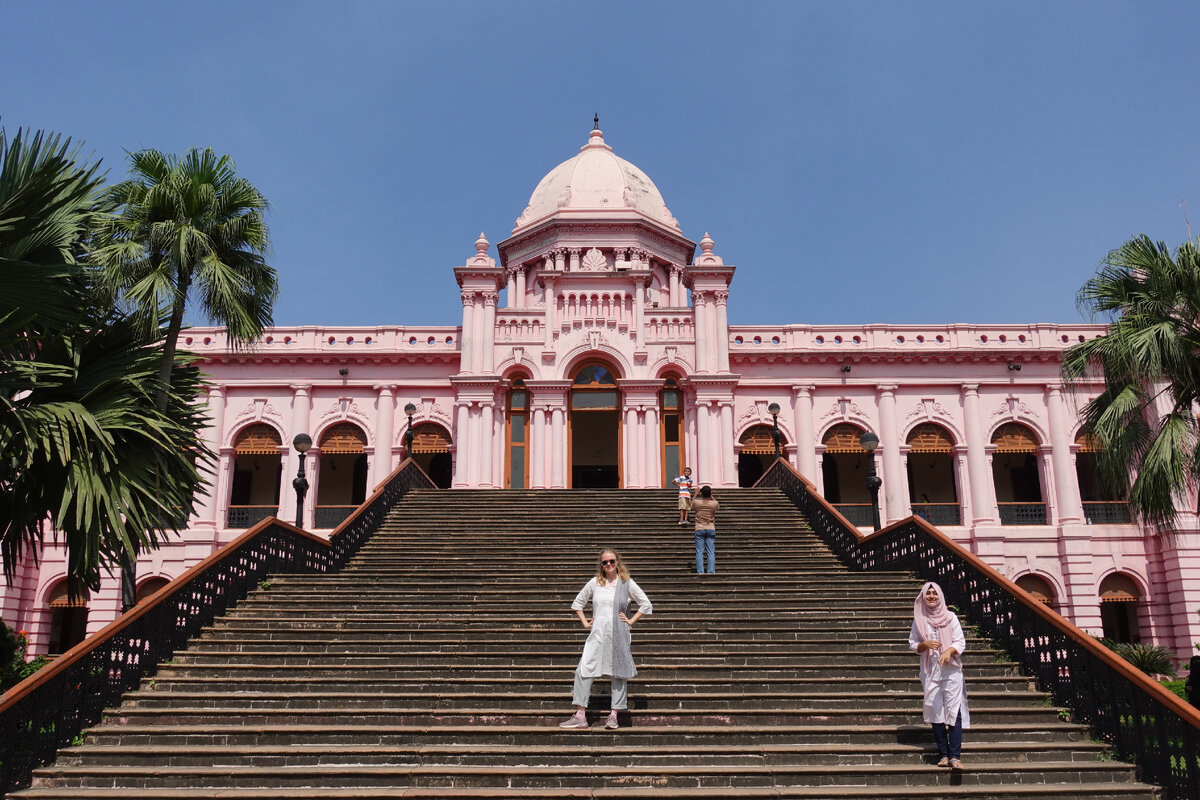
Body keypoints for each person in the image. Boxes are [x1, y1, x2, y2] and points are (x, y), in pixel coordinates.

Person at [559, 549, 653, 730]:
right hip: (597, 634)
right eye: (605, 562)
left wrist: (631, 621)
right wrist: (586, 622)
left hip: (617, 635)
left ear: (618, 562)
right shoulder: (595, 583)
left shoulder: (627, 584)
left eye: (611, 561)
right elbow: (578, 602)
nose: (608, 565)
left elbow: (646, 603)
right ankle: (580, 715)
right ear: (601, 565)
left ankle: (614, 715)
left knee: (618, 673)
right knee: (583, 670)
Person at [909, 581, 970, 769]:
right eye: (928, 594)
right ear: (923, 597)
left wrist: (949, 651)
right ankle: (943, 754)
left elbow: (960, 641)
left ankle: (955, 756)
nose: (932, 596)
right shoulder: (920, 619)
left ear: (940, 595)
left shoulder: (951, 617)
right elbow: (912, 643)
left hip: (951, 670)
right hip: (930, 671)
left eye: (935, 593)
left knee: (954, 711)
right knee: (936, 712)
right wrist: (924, 645)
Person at [692, 485, 718, 574]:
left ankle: (701, 571)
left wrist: (695, 494)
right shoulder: (714, 504)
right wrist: (711, 495)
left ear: (701, 493)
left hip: (699, 527)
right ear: (710, 493)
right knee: (711, 551)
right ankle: (711, 571)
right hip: (710, 527)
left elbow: (692, 506)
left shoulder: (698, 503)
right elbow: (717, 505)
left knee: (699, 551)